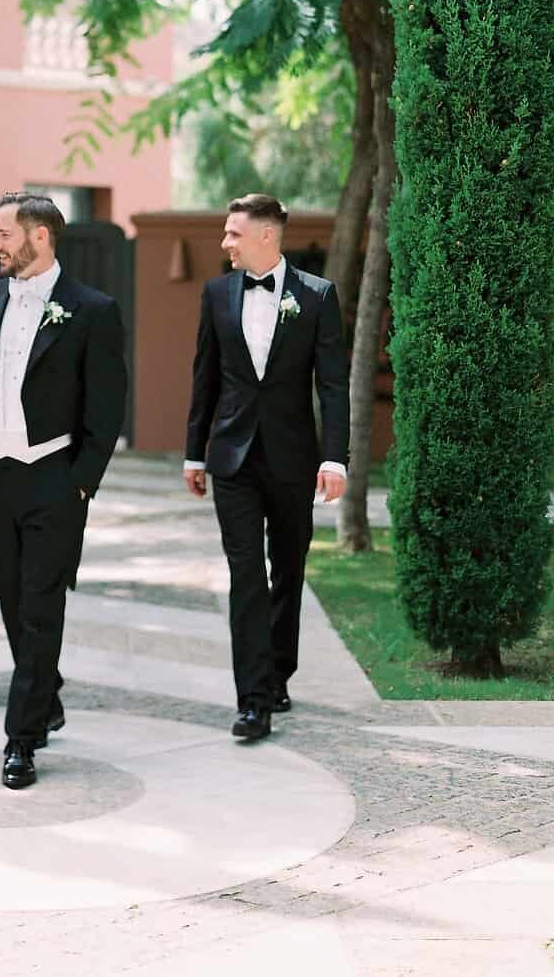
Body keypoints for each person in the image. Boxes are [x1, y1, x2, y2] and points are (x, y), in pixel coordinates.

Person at [0, 192, 126, 789]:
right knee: (12, 602)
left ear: (40, 237)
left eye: (4, 234)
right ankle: (45, 694)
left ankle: (20, 741)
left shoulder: (92, 310)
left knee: (39, 610)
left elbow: (107, 409)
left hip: (52, 481)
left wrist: (80, 486)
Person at [183, 193, 348, 741]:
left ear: (266, 236)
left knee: (288, 569)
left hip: (293, 458)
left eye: (233, 233)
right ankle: (252, 700)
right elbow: (204, 377)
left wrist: (334, 459)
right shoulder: (216, 294)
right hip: (231, 458)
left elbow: (331, 384)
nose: (225, 243)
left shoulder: (318, 296)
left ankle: (278, 671)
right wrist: (194, 452)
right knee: (246, 574)